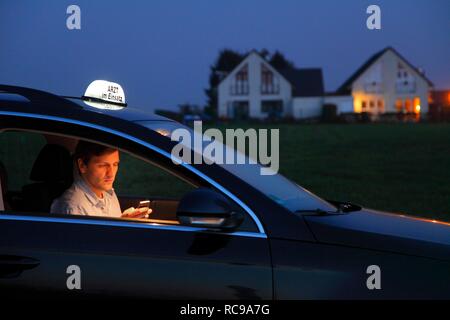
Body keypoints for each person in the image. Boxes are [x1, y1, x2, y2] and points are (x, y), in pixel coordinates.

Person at [51, 140, 150, 219]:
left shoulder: (108, 193)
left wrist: (124, 221)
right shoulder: (74, 207)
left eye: (115, 164)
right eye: (103, 166)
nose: (111, 173)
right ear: (82, 165)